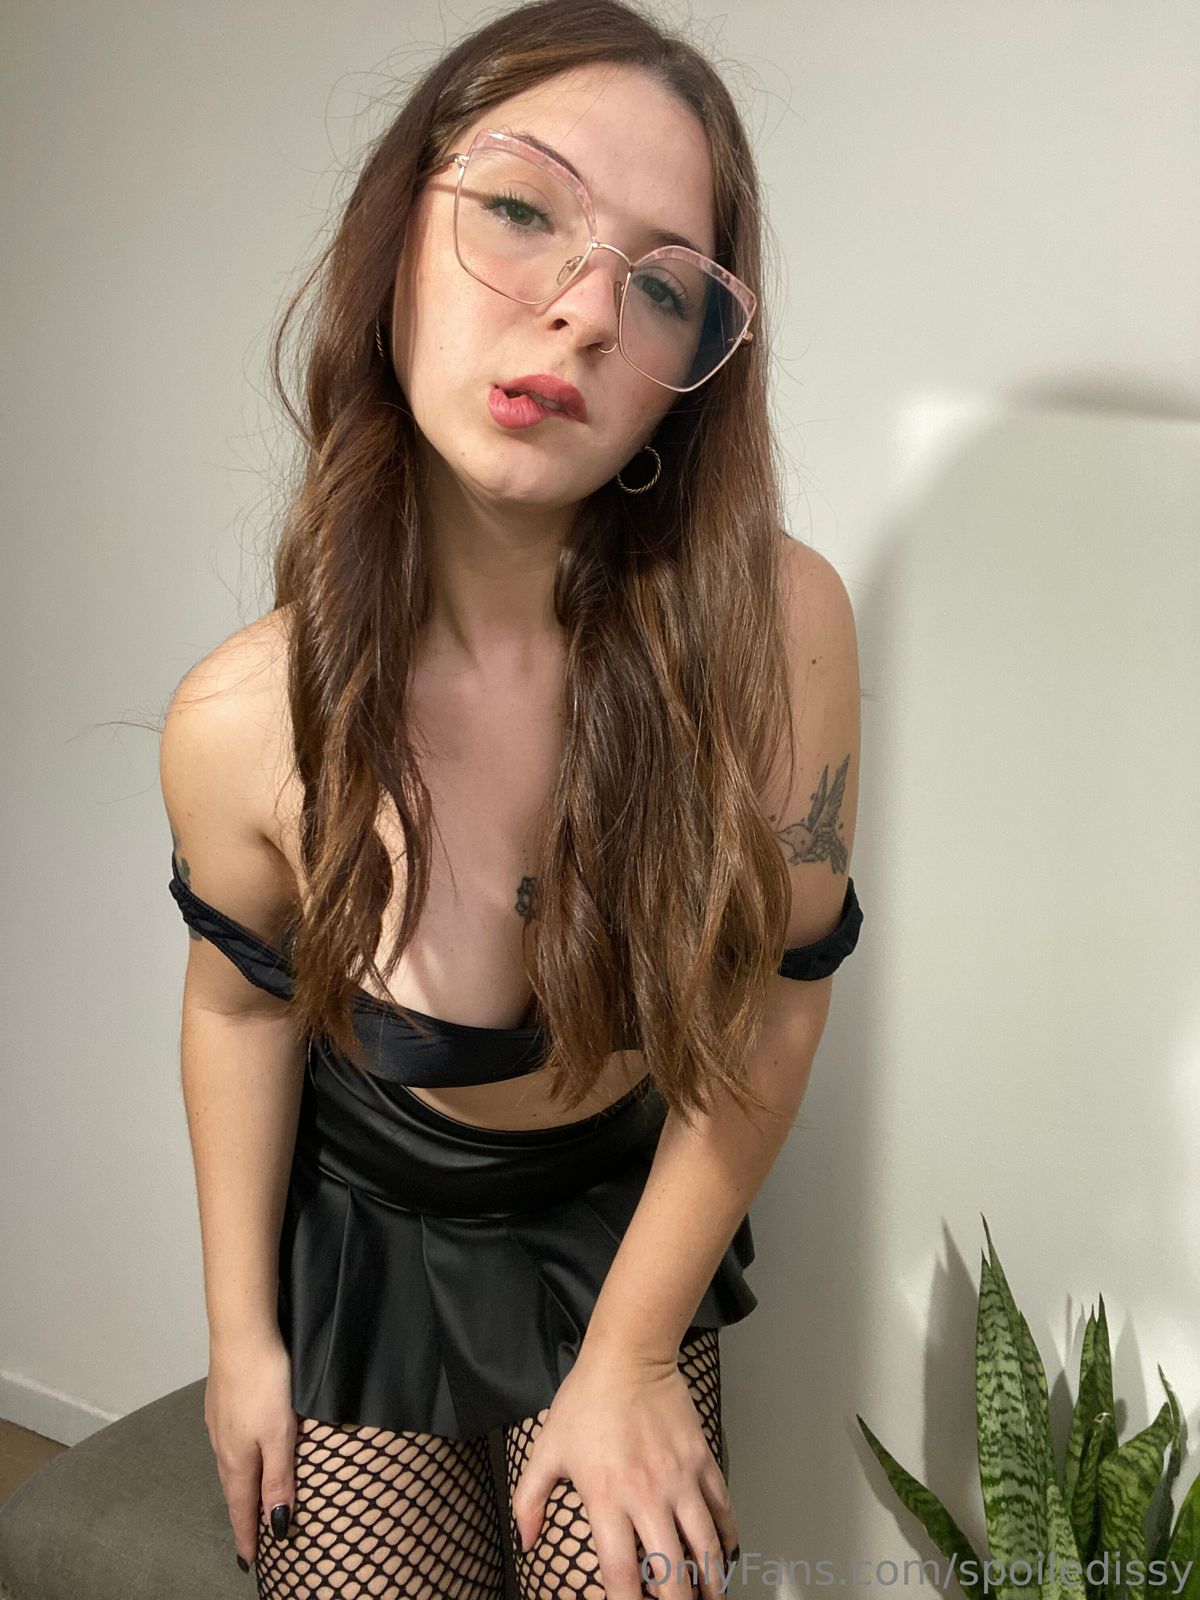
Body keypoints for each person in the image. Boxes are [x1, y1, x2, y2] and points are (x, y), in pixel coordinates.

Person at [158, 1, 864, 1595]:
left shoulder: (779, 634)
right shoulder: (241, 719)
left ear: (687, 376)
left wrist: (632, 1354)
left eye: (663, 284)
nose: (586, 312)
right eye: (523, 209)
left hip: (619, 1225)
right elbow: (240, 1011)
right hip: (364, 1227)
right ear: (392, 240)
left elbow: (775, 996)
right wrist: (241, 1338)